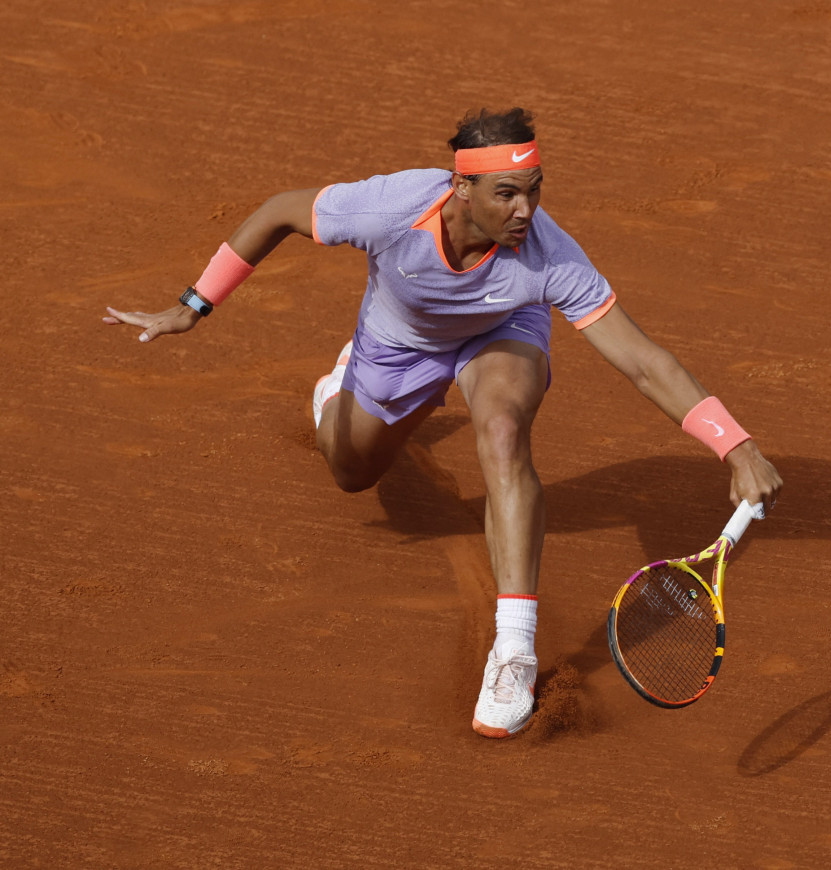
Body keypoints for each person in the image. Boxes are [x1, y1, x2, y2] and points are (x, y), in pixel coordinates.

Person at [104, 107, 783, 739]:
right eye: (506, 195)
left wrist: (735, 444)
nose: (526, 211)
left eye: (534, 189)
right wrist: (195, 302)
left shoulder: (548, 253)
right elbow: (281, 211)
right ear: (461, 188)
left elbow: (641, 360)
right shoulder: (390, 208)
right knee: (351, 471)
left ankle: (512, 647)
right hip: (400, 342)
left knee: (502, 433)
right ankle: (339, 391)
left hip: (501, 336)